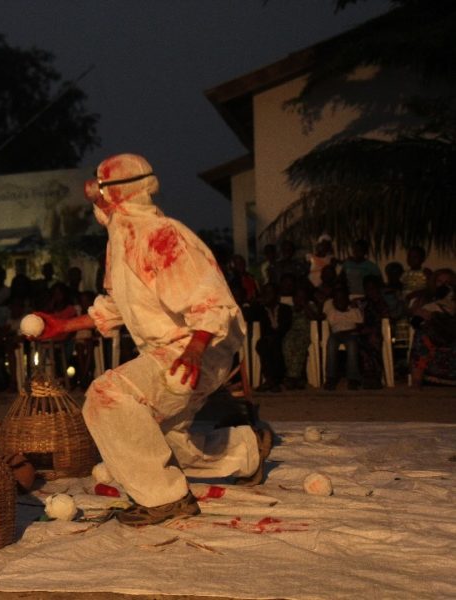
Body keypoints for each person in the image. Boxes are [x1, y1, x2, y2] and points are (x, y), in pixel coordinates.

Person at [30, 154, 268, 527]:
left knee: (107, 396)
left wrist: (194, 350)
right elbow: (118, 306)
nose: (93, 196)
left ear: (117, 193)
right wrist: (63, 326)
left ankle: (165, 498)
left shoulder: (162, 236)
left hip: (193, 349)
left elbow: (212, 302)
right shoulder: (122, 237)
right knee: (157, 437)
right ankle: (248, 451)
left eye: (99, 188)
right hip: (176, 351)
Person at [323, 287, 364, 390]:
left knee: (352, 346)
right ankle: (331, 377)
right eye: (337, 299)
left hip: (351, 334)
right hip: (336, 334)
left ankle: (353, 378)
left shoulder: (353, 311)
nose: (340, 302)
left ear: (347, 300)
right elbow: (327, 319)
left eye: (343, 299)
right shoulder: (332, 311)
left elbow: (360, 325)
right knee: (331, 344)